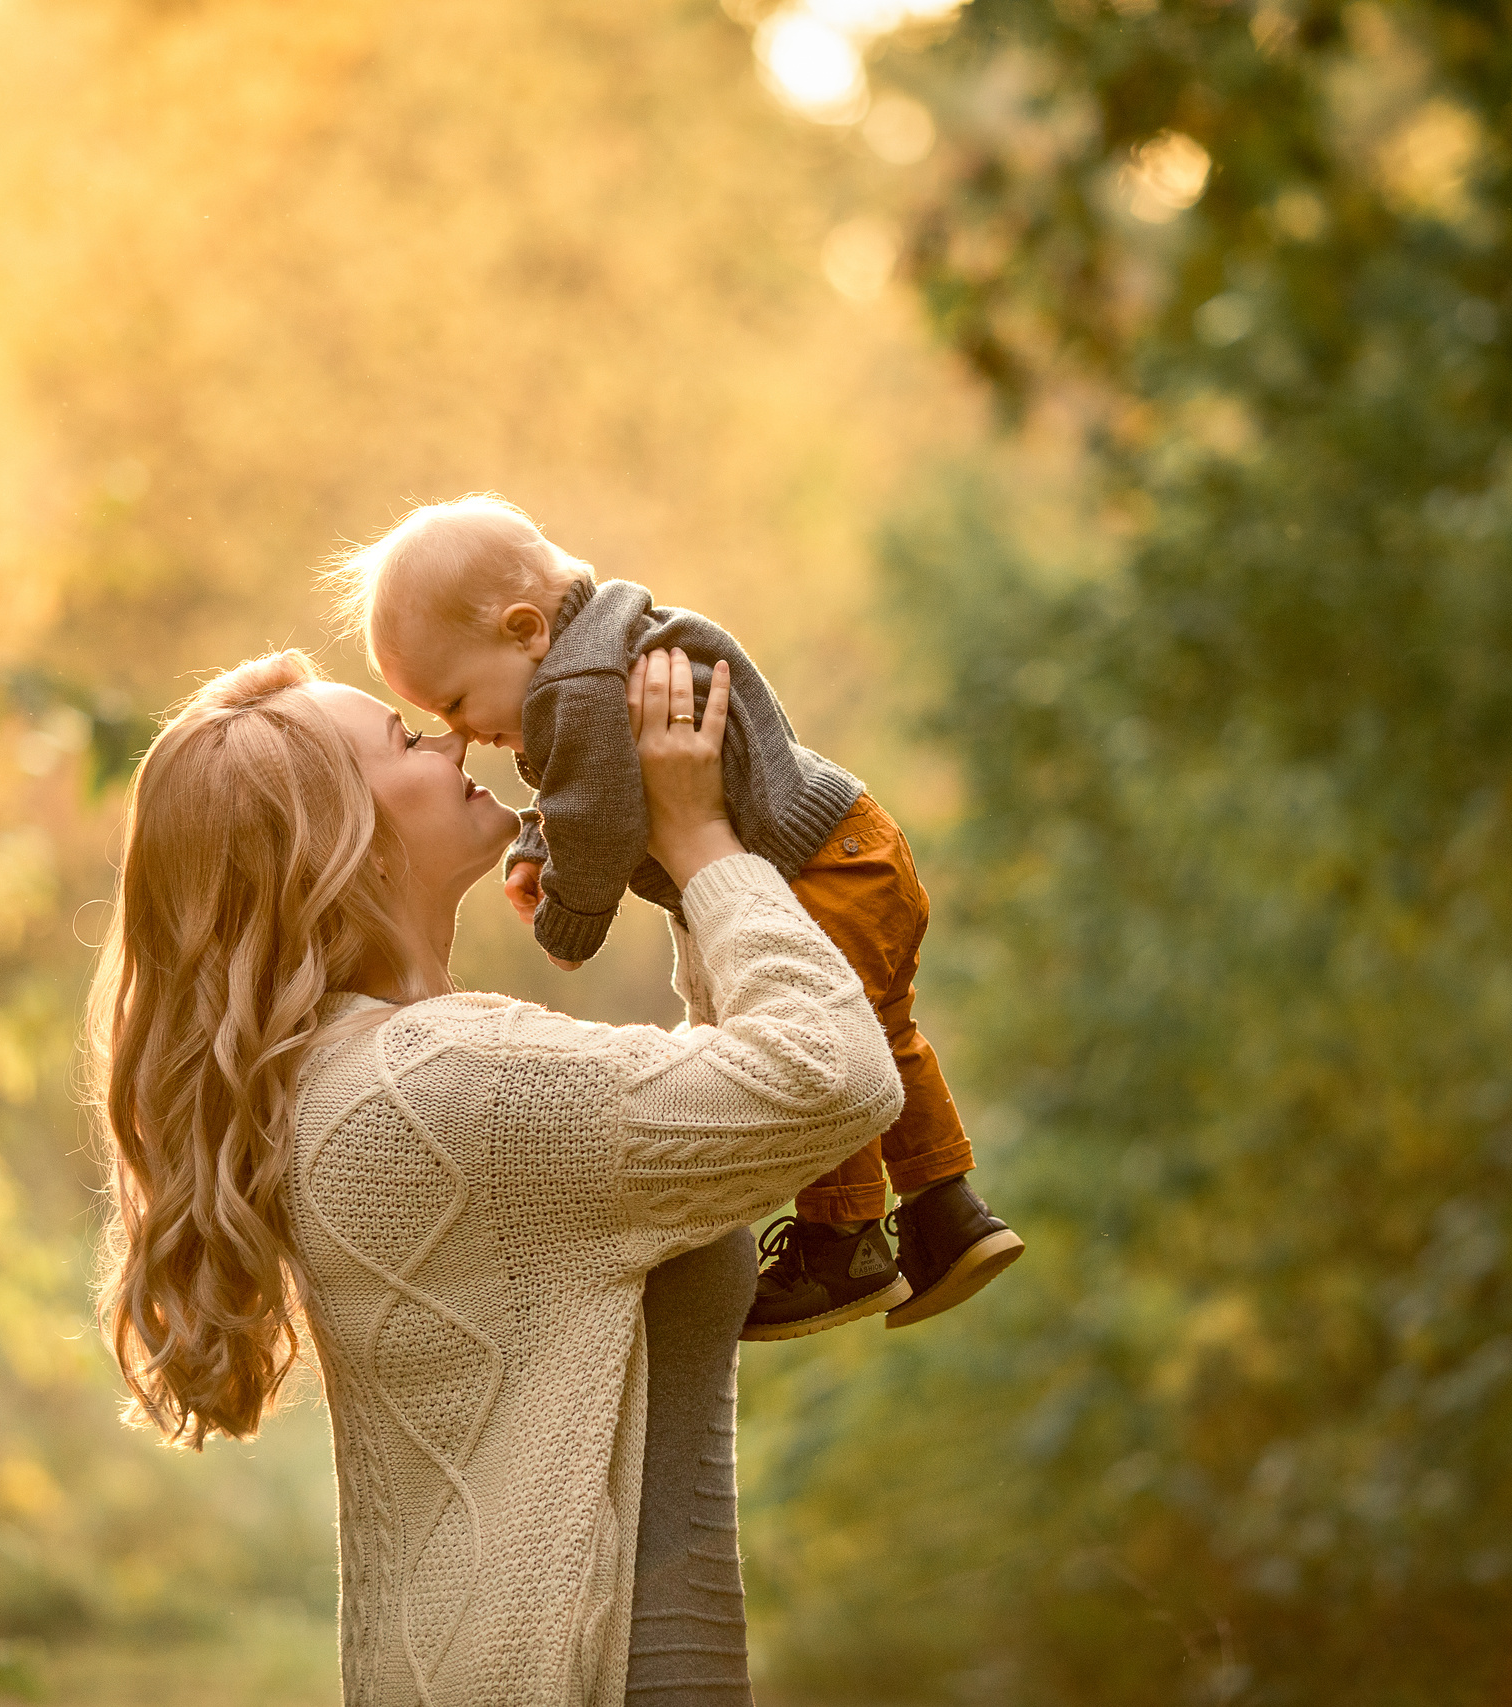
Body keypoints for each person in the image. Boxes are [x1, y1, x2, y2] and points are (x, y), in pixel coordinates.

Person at [87, 645, 901, 1704]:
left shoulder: (377, 1079)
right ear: (344, 838)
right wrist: (700, 841)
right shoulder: (443, 1084)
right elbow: (831, 1077)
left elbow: (723, 1109)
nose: (454, 738)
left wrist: (671, 854)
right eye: (404, 740)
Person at [330, 495, 1021, 1340]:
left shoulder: (575, 689)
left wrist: (569, 921)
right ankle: (947, 1213)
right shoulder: (605, 657)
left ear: (523, 632)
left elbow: (606, 817)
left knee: (837, 1054)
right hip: (854, 845)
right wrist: (538, 850)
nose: (464, 734)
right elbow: (594, 784)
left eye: (455, 702)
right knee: (883, 1031)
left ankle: (843, 1243)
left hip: (817, 874)